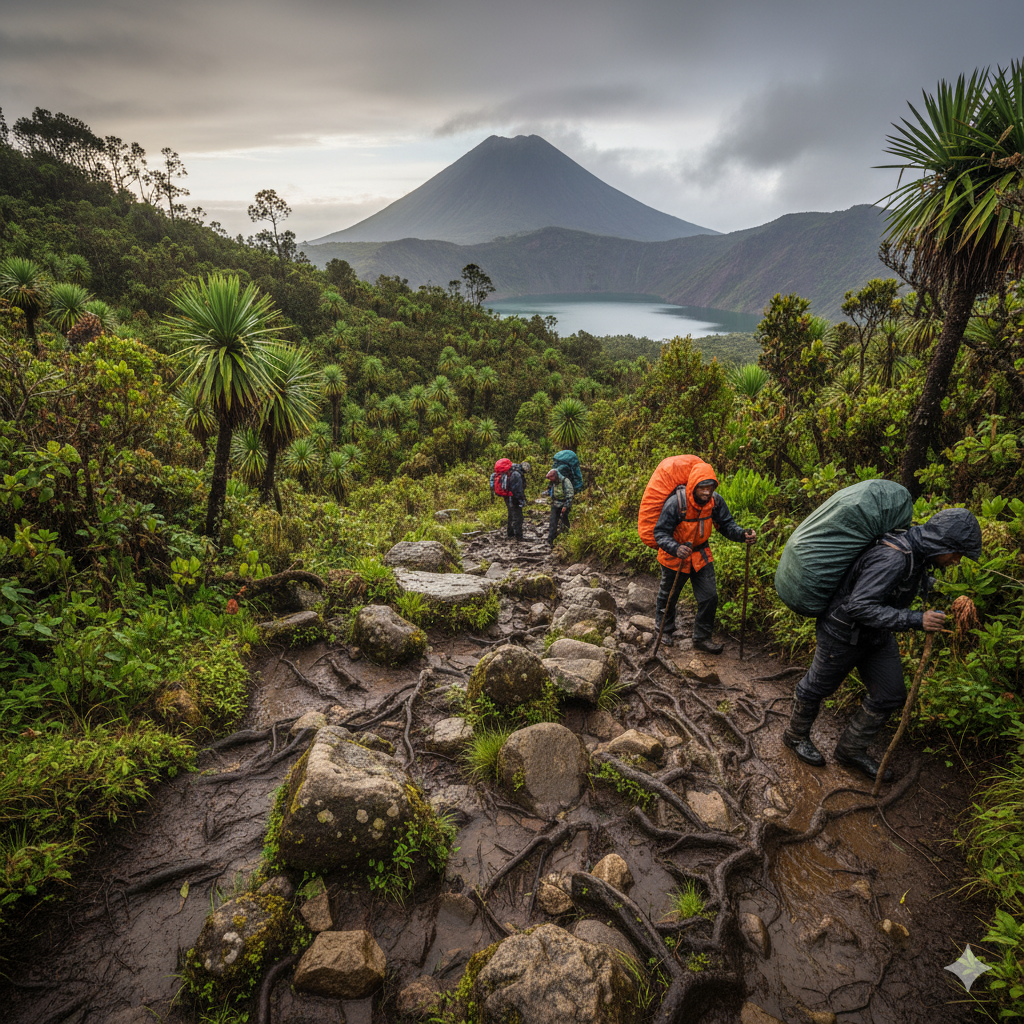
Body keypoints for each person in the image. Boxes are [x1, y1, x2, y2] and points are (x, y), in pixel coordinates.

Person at [783, 507, 982, 781]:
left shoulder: (919, 554)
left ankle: (850, 751)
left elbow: (906, 584)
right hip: (842, 634)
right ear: (942, 543)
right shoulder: (893, 558)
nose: (956, 560)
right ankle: (794, 736)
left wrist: (948, 596)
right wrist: (916, 619)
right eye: (957, 553)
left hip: (876, 636)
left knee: (890, 694)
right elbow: (859, 606)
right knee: (817, 687)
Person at [653, 458, 755, 653]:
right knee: (669, 596)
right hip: (675, 557)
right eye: (702, 487)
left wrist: (742, 534)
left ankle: (702, 638)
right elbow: (660, 533)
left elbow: (726, 525)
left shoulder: (715, 502)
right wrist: (675, 548)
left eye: (710, 487)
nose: (706, 492)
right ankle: (663, 630)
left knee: (710, 597)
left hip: (700, 555)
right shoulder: (676, 503)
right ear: (693, 485)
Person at [545, 467, 574, 547]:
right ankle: (551, 540)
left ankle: (566, 539)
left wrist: (566, 506)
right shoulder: (553, 482)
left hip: (564, 503)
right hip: (555, 503)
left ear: (555, 476)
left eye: (551, 478)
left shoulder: (565, 481)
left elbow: (570, 495)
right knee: (553, 522)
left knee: (564, 521)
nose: (550, 480)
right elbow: (550, 490)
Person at [504, 461, 529, 542]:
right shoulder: (517, 474)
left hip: (507, 496)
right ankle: (519, 536)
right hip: (514, 497)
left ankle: (510, 533)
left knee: (511, 514)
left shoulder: (511, 470)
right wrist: (521, 500)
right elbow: (517, 490)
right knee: (518, 517)